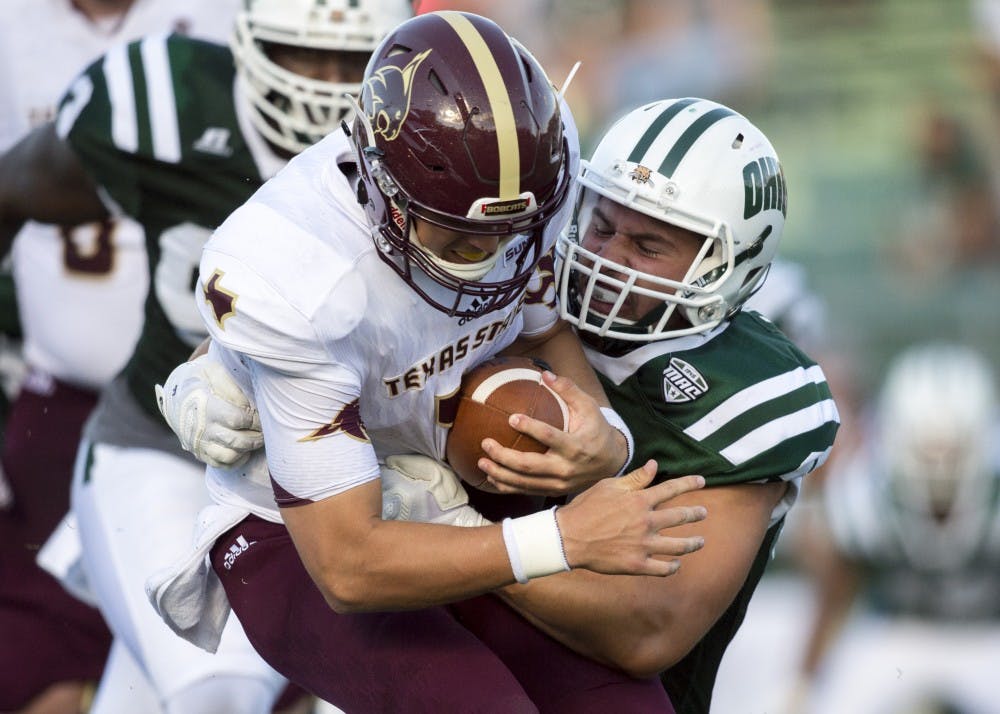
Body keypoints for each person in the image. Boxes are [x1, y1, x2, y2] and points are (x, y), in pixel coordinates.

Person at [157, 93, 839, 714]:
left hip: (541, 615)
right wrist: (213, 370)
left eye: (648, 243)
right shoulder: (509, 252)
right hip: (370, 558)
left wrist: (461, 525)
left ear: (730, 264)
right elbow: (348, 335)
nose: (606, 256)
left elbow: (645, 630)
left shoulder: (748, 394)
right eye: (600, 223)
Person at [0, 1, 412, 712]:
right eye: (302, 56)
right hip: (159, 450)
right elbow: (10, 192)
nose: (324, 88)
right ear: (243, 44)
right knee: (219, 696)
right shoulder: (167, 103)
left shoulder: (431, 155)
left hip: (335, 476)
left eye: (353, 64)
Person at [0, 1, 239, 711]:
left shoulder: (228, 18)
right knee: (44, 671)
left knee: (217, 664)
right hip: (59, 404)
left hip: (221, 416)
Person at [785, 342, 1000, 714]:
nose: (940, 463)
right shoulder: (865, 492)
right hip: (895, 640)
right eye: (929, 448)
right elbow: (836, 599)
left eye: (952, 448)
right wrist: (803, 685)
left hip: (987, 640)